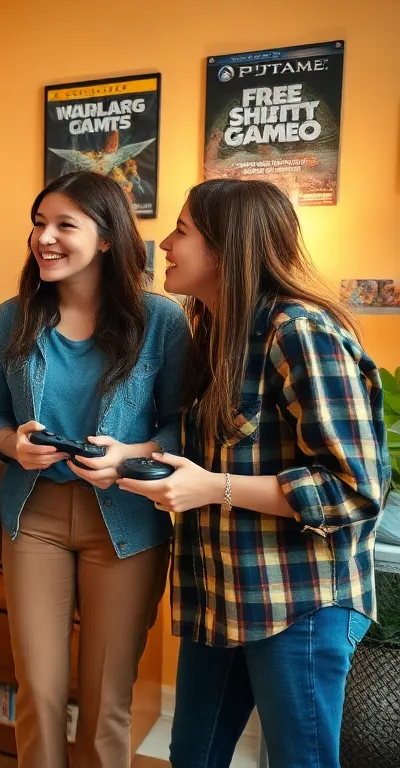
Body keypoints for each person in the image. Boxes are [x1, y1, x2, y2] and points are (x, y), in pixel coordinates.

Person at [117, 178, 389, 768]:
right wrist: (129, 456)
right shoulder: (214, 332)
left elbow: (354, 488)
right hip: (222, 593)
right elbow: (208, 458)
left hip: (298, 601)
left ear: (226, 247)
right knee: (192, 755)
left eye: (182, 231)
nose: (164, 242)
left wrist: (215, 488)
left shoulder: (300, 332)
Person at [0, 171, 189, 768]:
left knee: (106, 702)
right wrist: (11, 445)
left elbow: (181, 427)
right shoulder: (11, 317)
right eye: (38, 224)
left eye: (64, 225)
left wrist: (130, 454)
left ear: (106, 239)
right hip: (34, 514)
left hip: (125, 523)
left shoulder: (160, 321)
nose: (44, 237)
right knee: (39, 692)